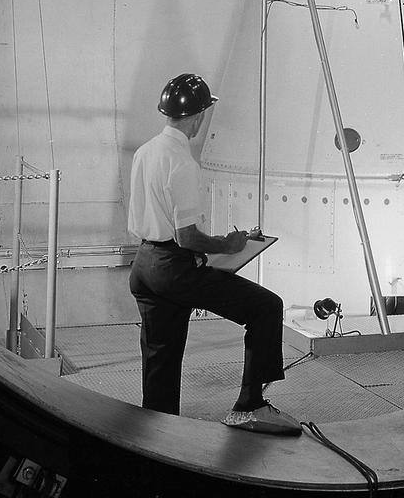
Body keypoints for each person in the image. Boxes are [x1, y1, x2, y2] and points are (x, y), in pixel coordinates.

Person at [126, 72, 301, 435]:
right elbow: (187, 237)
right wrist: (230, 245)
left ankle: (158, 432)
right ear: (198, 116)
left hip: (144, 266)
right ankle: (249, 406)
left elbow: (163, 223)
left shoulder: (146, 152)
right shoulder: (183, 162)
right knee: (266, 307)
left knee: (162, 355)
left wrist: (223, 240)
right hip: (174, 269)